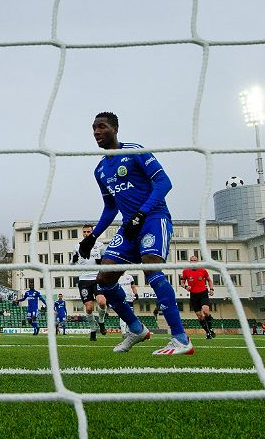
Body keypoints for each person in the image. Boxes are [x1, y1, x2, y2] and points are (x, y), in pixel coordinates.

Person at [78, 111, 192, 355]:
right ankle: (136, 328)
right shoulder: (100, 170)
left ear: (115, 129)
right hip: (129, 225)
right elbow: (110, 208)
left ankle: (181, 338)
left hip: (153, 218)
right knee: (105, 278)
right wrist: (93, 237)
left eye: (102, 126)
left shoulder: (134, 150)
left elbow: (164, 183)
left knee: (151, 268)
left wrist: (142, 213)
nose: (97, 132)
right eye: (94, 128)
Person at [71, 224, 108, 342]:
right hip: (84, 280)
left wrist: (101, 261)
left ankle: (101, 321)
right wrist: (74, 260)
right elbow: (71, 264)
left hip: (97, 278)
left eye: (89, 232)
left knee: (102, 302)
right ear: (82, 233)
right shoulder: (77, 246)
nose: (86, 234)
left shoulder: (100, 245)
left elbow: (106, 261)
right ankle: (93, 330)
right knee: (89, 308)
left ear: (92, 233)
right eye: (85, 232)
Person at [180, 255, 216, 339]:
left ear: (197, 261)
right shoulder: (185, 271)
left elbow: (209, 280)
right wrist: (186, 287)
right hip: (193, 295)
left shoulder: (203, 270)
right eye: (191, 260)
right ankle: (207, 332)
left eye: (195, 260)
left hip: (203, 293)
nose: (193, 261)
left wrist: (211, 289)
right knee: (199, 316)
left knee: (206, 311)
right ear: (190, 261)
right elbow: (182, 283)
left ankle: (210, 327)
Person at [116, 273, 139, 337]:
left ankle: (129, 330)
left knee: (130, 314)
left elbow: (133, 286)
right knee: (123, 314)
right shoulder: (116, 277)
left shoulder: (129, 277)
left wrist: (136, 293)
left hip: (129, 298)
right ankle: (123, 331)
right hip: (121, 298)